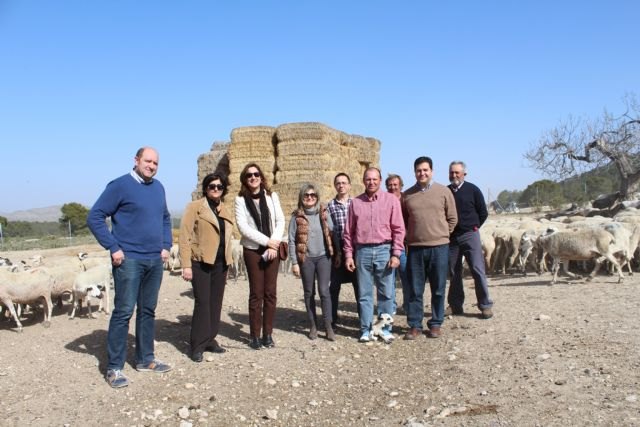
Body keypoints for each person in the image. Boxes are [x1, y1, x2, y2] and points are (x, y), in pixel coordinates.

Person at [87, 147, 173, 389]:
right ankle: (114, 367)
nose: (152, 166)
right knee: (124, 311)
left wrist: (166, 244)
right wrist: (113, 246)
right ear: (136, 160)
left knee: (148, 311)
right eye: (148, 161)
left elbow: (165, 217)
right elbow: (95, 216)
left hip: (154, 260)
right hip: (129, 260)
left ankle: (146, 359)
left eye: (155, 162)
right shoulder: (120, 185)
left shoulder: (158, 187)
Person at [343, 167, 405, 343]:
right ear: (363, 181)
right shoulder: (355, 203)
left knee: (386, 293)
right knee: (364, 293)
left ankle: (384, 329)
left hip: (384, 250)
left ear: (379, 180)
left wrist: (396, 254)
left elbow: (399, 229)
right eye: (368, 179)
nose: (371, 182)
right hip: (362, 251)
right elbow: (348, 232)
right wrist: (348, 255)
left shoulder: (391, 201)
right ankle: (366, 329)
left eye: (375, 179)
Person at [179, 172, 235, 363]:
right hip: (200, 262)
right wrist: (186, 265)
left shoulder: (225, 210)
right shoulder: (195, 207)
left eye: (219, 187)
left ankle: (210, 339)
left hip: (221, 263)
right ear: (206, 188)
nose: (216, 189)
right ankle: (197, 345)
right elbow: (184, 236)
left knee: (216, 302)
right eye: (212, 186)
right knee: (202, 303)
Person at [402, 156, 457, 340]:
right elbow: (403, 220)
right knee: (416, 289)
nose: (422, 173)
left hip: (439, 248)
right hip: (416, 249)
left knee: (438, 288)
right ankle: (415, 325)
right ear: (414, 172)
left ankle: (435, 323)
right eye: (419, 170)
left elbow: (452, 218)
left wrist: (441, 234)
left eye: (425, 170)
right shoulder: (407, 195)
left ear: (431, 171)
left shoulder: (443, 192)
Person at [234, 163, 285, 350]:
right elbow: (243, 227)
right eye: (249, 175)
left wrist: (274, 243)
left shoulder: (272, 196)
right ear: (245, 179)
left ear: (261, 177)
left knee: (270, 293)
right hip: (253, 250)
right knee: (256, 293)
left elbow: (280, 221)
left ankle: (268, 334)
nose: (253, 178)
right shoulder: (240, 200)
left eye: (256, 174)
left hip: (272, 249)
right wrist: (267, 242)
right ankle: (254, 335)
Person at [447, 161, 494, 319]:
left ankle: (485, 305)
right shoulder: (446, 192)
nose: (454, 175)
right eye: (452, 172)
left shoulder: (473, 190)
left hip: (470, 234)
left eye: (457, 173)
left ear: (464, 174)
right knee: (453, 272)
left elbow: (483, 212)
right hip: (452, 238)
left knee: (477, 269)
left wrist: (474, 227)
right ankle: (455, 305)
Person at [288, 183, 335, 340]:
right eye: (306, 195)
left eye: (313, 195)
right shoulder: (296, 217)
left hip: (323, 257)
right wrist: (295, 262)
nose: (309, 198)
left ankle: (328, 326)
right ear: (302, 197)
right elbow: (292, 240)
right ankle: (313, 326)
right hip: (306, 259)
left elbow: (332, 232)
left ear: (317, 197)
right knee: (309, 292)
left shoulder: (324, 213)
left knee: (324, 291)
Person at [327, 173, 360, 329]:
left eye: (344, 182)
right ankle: (332, 319)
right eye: (338, 183)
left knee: (359, 286)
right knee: (334, 286)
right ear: (335, 185)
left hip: (356, 248)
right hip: (338, 248)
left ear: (349, 185)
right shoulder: (329, 206)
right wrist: (336, 251)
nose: (341, 185)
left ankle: (363, 320)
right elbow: (329, 231)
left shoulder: (357, 203)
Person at [385, 173, 409, 314]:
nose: (393, 187)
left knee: (406, 276)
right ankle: (391, 306)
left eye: (395, 185)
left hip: (404, 246)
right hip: (388, 245)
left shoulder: (407, 200)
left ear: (401, 186)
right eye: (390, 185)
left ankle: (407, 305)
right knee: (389, 278)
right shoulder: (384, 200)